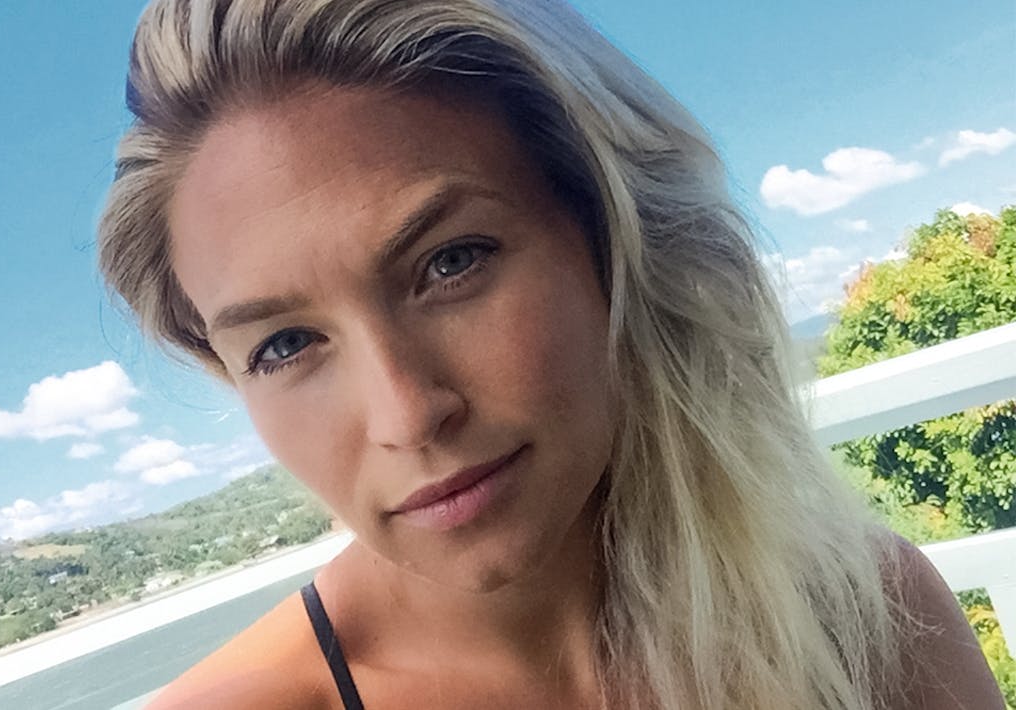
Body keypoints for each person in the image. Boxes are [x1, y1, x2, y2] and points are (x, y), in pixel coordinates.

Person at [97, 1, 1004, 708]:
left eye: (452, 262)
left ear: (612, 243)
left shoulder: (864, 619)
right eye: (286, 344)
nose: (408, 414)